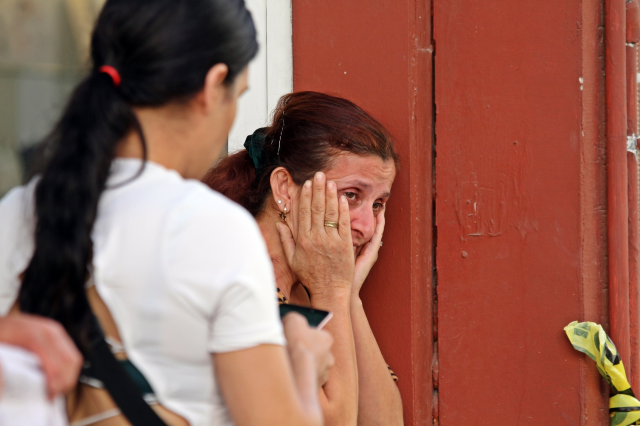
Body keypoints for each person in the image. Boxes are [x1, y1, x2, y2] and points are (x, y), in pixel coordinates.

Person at [0, 1, 335, 426]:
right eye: (239, 95)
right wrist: (304, 365)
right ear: (213, 86)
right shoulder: (215, 231)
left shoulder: (16, 211)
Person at [202, 91, 404, 425]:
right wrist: (332, 288)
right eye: (351, 195)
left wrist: (349, 296)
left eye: (378, 204)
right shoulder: (235, 280)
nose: (367, 227)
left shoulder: (312, 287)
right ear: (284, 188)